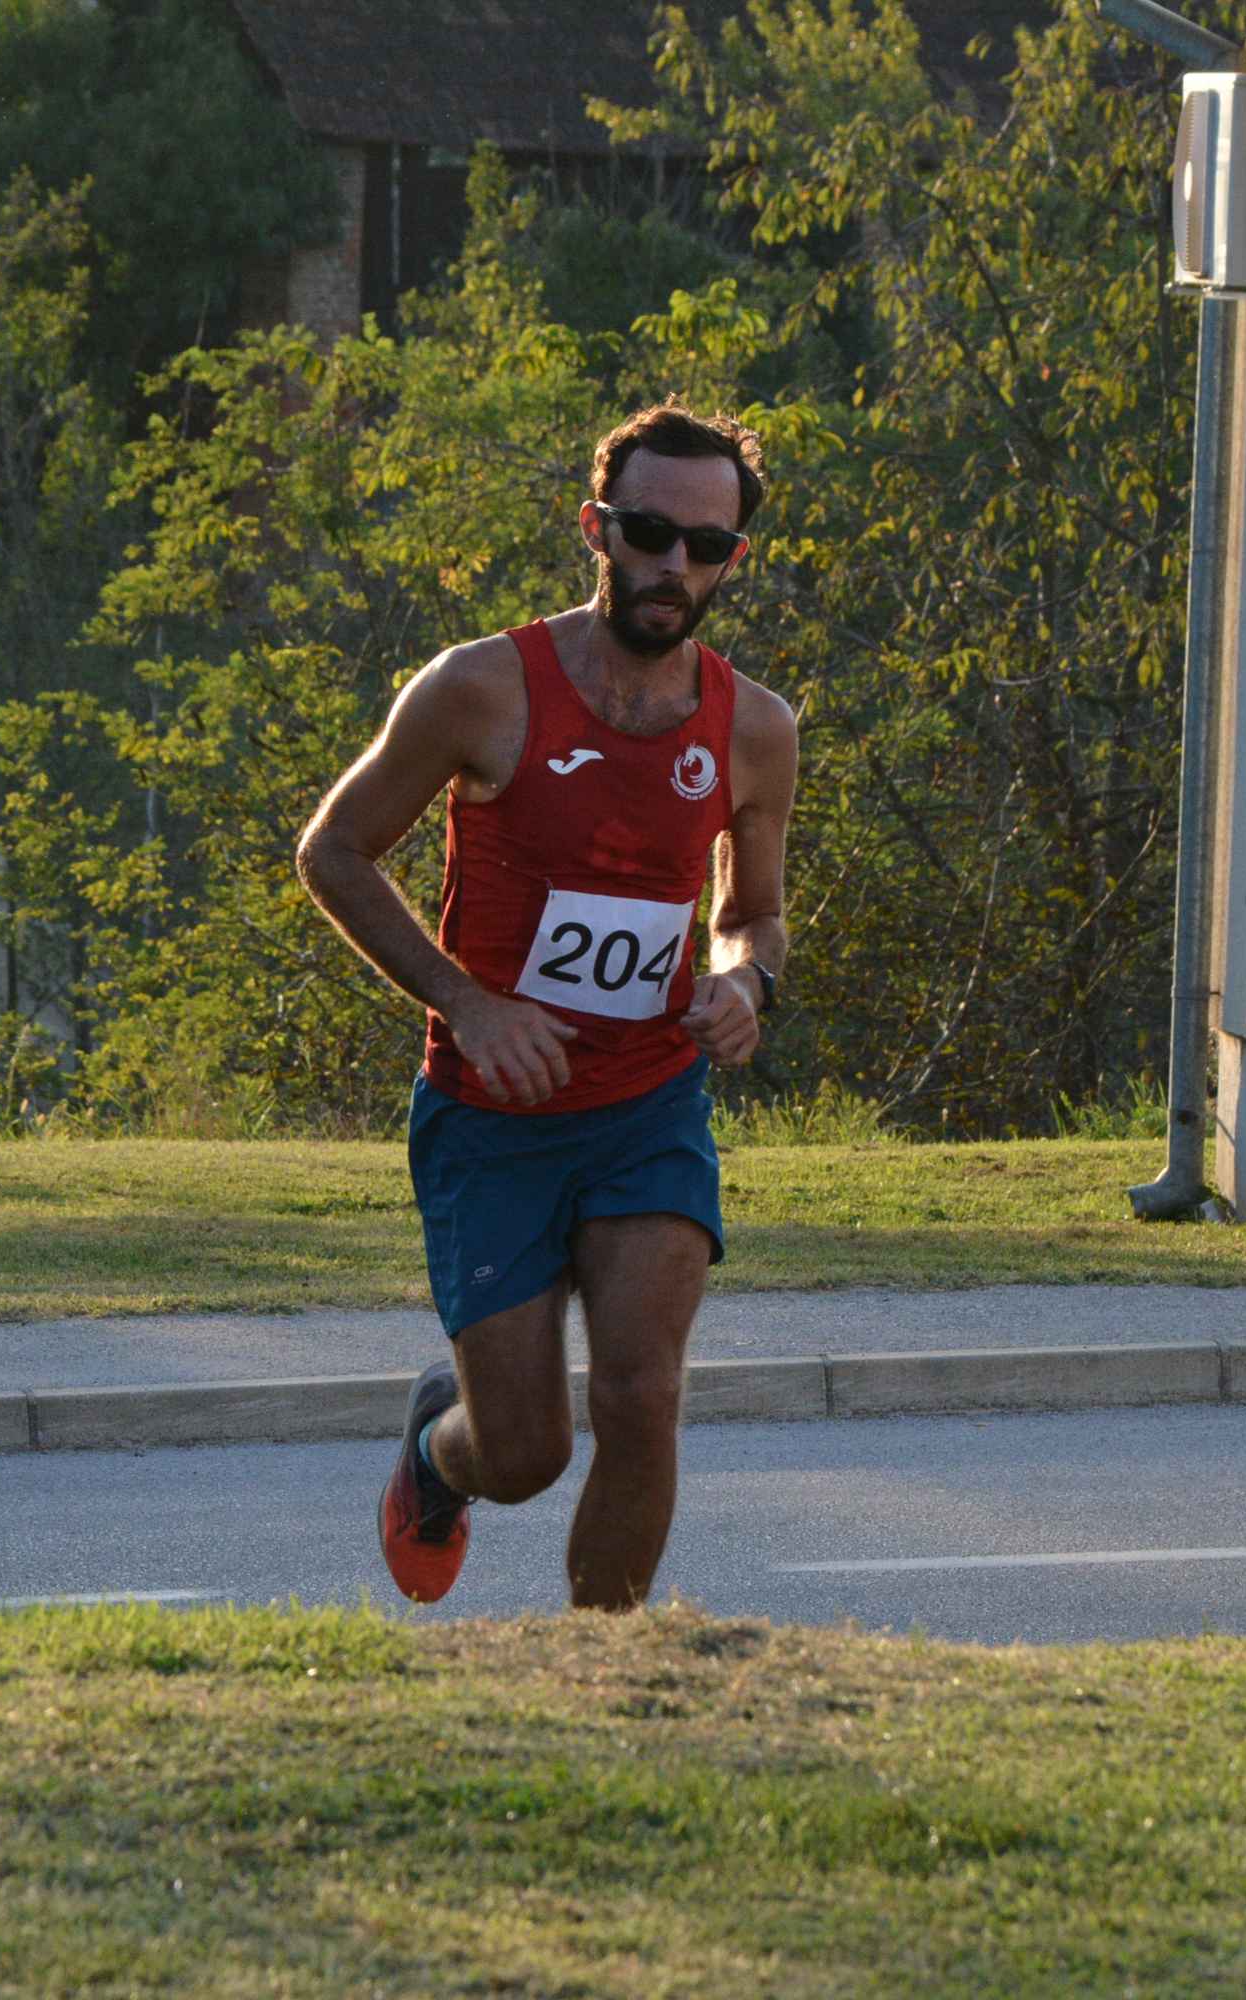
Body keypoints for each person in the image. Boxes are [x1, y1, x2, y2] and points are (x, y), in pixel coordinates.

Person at [294, 403, 799, 1612]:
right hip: (492, 1118)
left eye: (706, 546)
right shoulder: (481, 688)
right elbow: (335, 851)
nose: (673, 567)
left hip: (646, 1107)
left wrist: (745, 980)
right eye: (647, 532)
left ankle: (601, 1671)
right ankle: (437, 1449)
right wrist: (466, 1004)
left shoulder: (757, 729)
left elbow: (754, 910)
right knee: (523, 1453)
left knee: (641, 1391)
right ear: (598, 529)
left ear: (735, 558)